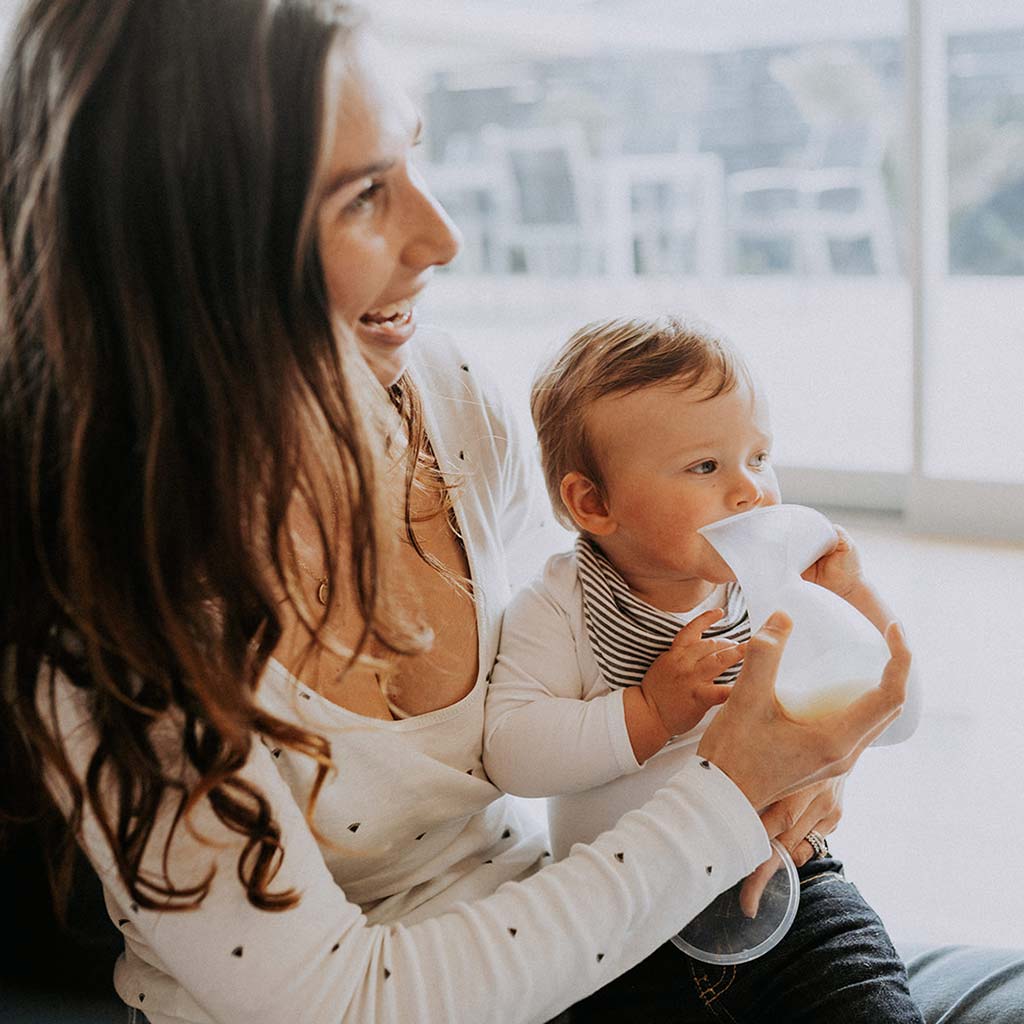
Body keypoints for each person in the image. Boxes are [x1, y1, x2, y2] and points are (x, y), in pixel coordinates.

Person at [0, 3, 909, 1023]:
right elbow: (337, 998)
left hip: (550, 933)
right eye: (361, 197)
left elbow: (583, 650)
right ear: (184, 249)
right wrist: (722, 801)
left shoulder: (442, 393)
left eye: (414, 157)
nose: (444, 234)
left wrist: (806, 752)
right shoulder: (109, 611)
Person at [484, 315, 923, 1022]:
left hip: (790, 889)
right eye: (706, 467)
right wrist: (648, 713)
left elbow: (893, 711)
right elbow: (510, 753)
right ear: (593, 503)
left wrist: (852, 599)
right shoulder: (559, 606)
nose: (750, 489)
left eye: (758, 455)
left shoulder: (774, 589)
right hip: (622, 926)